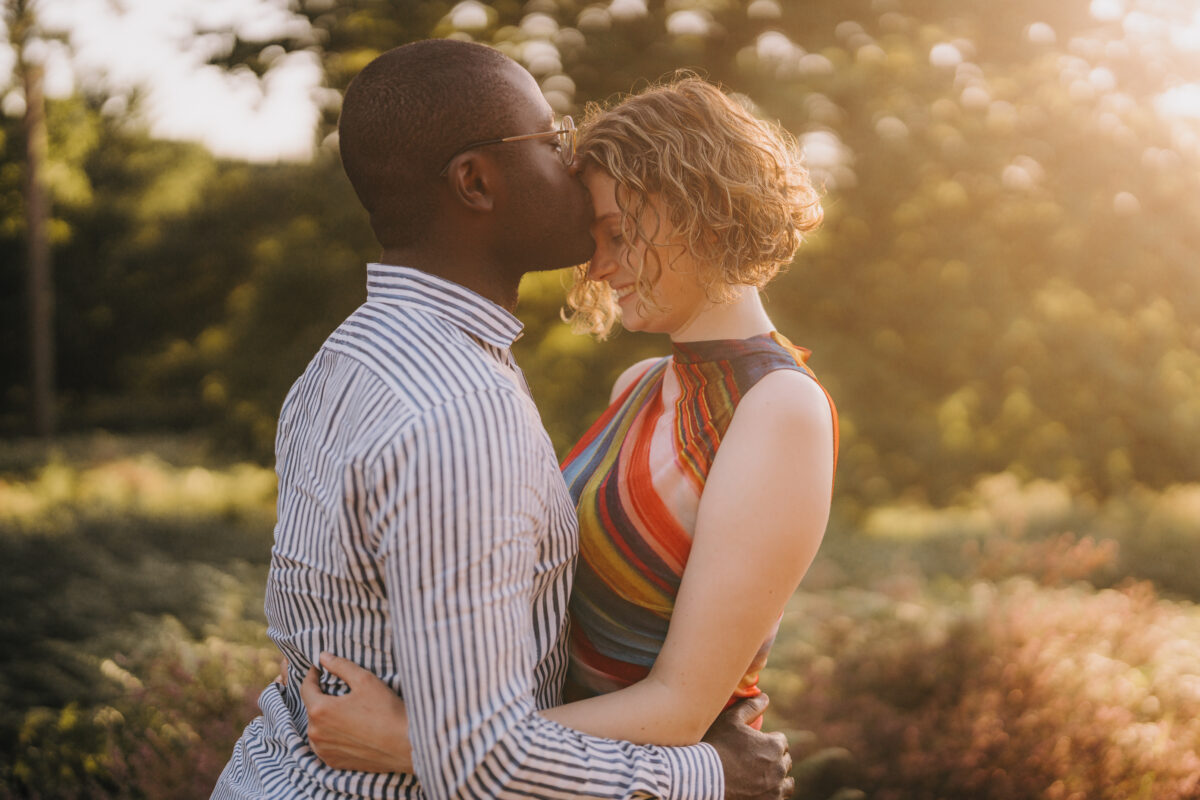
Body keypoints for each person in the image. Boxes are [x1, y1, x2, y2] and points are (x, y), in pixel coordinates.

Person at [211, 42, 792, 800]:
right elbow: (479, 758)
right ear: (476, 182)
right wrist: (709, 775)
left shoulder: (347, 358)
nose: (569, 162)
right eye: (549, 141)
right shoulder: (456, 410)